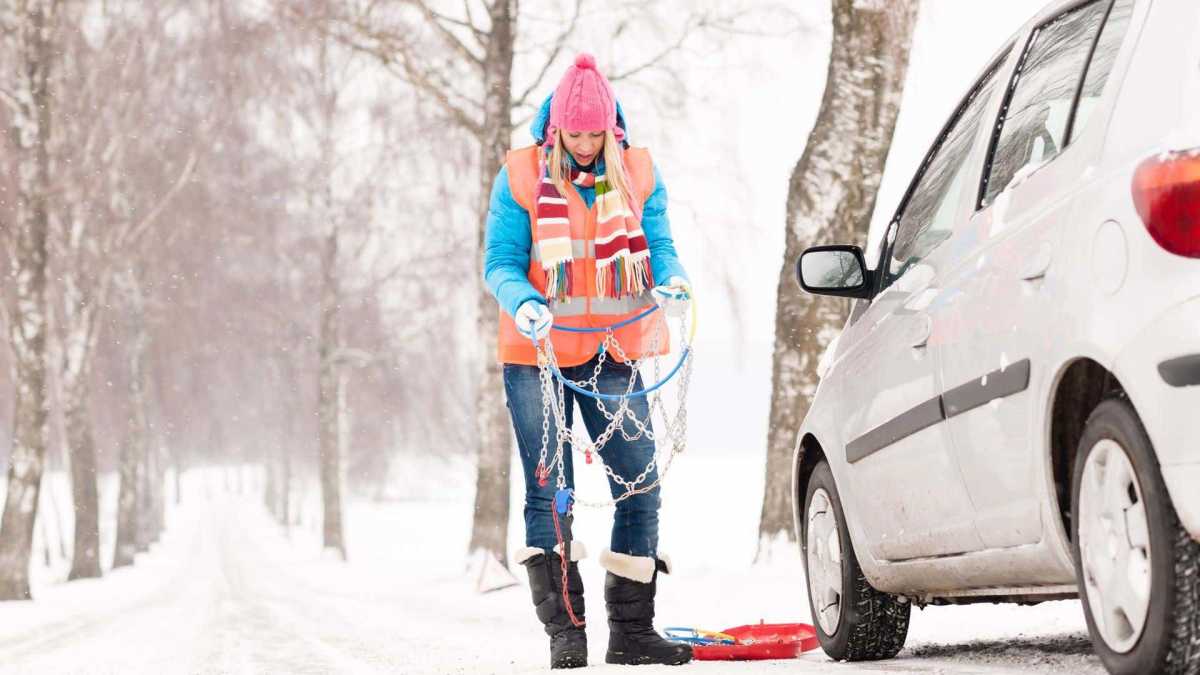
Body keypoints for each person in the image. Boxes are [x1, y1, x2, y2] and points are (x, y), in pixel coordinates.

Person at [483, 53, 694, 669]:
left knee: (640, 482)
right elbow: (499, 259)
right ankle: (567, 635)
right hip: (537, 352)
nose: (581, 144)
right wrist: (522, 301)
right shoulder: (520, 176)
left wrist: (674, 280)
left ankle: (631, 632)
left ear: (611, 129)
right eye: (571, 135)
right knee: (552, 490)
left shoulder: (636, 172)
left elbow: (658, 247)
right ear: (555, 131)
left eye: (592, 134)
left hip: (611, 349)